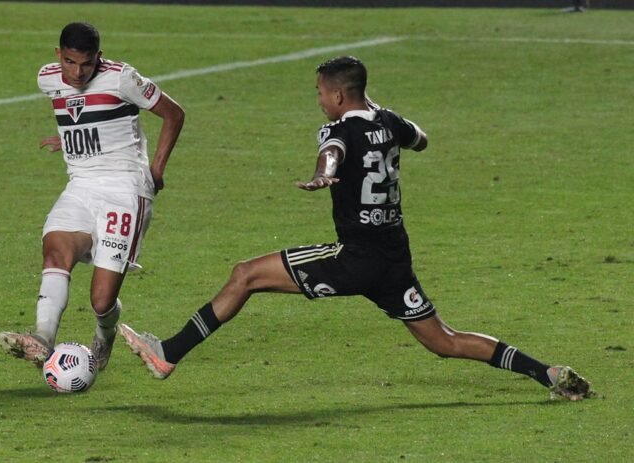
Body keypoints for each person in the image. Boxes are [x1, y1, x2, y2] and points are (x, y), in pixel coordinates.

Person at [118, 56, 594, 401]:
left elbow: (334, 152)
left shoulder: (337, 130)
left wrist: (324, 172)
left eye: (320, 93)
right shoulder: (390, 121)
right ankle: (547, 373)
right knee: (443, 340)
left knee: (245, 275)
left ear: (338, 96)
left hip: (354, 259)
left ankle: (168, 354)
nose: (319, 101)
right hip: (394, 261)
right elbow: (422, 139)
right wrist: (386, 127)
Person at [0, 22, 185, 371]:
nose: (78, 72)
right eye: (70, 62)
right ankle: (42, 338)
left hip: (125, 189)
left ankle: (104, 333)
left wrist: (157, 169)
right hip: (81, 185)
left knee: (101, 301)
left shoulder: (122, 78)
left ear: (99, 56)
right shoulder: (47, 78)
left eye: (86, 64)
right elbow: (78, 111)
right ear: (58, 55)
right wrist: (68, 138)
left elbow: (174, 113)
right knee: (55, 250)